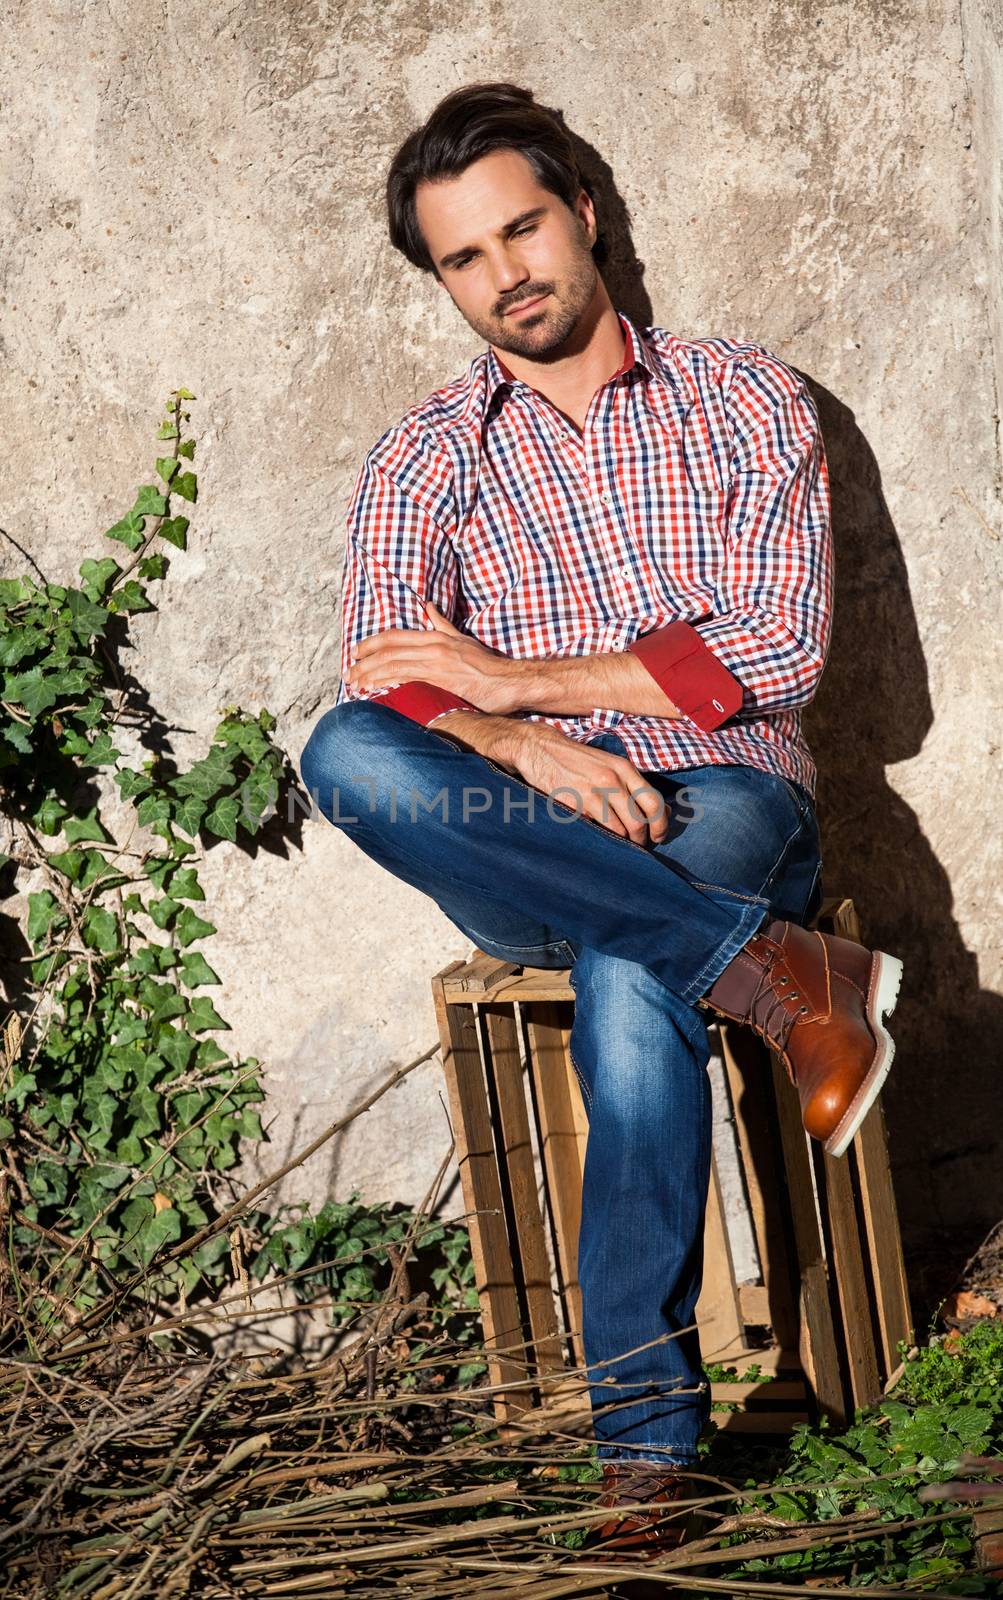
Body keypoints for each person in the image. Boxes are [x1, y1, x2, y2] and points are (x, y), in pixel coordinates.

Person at [299, 82, 904, 1557]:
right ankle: (767, 977)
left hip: (730, 794)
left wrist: (513, 677)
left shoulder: (743, 397)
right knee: (346, 752)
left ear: (582, 210)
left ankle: (645, 1443)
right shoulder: (427, 453)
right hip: (519, 823)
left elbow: (772, 652)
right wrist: (518, 741)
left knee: (637, 972)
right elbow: (388, 673)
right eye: (464, 258)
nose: (506, 273)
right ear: (441, 282)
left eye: (522, 228)